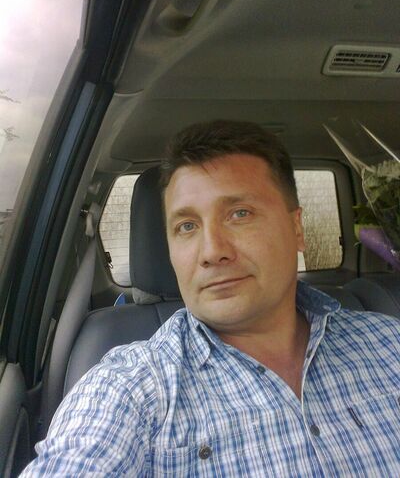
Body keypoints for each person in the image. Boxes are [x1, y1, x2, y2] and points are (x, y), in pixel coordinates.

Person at [21, 120, 400, 476]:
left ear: (297, 229)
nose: (212, 251)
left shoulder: (389, 343)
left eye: (239, 213)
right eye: (186, 226)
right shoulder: (130, 388)